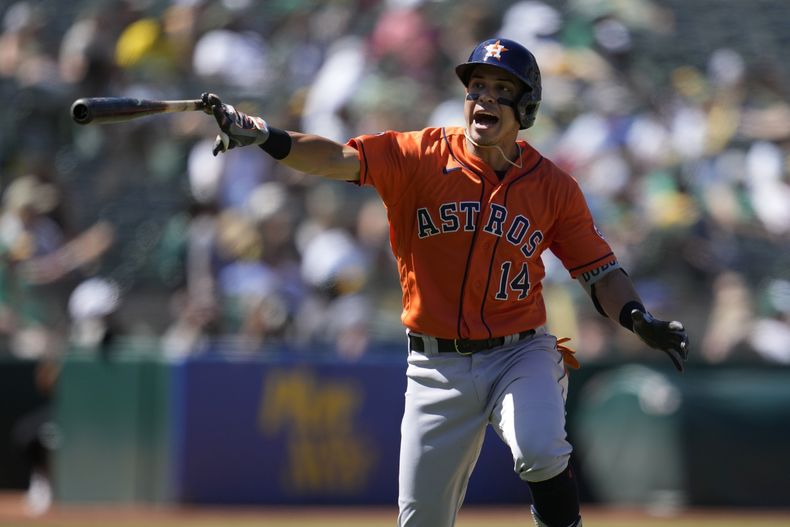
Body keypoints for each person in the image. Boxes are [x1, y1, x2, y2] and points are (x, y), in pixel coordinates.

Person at [202, 37, 689, 527]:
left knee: (539, 447)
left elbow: (600, 271)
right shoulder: (421, 156)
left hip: (518, 352)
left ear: (527, 106)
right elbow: (335, 159)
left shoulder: (555, 188)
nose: (485, 99)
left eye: (501, 89)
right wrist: (267, 136)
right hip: (435, 366)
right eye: (477, 87)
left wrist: (634, 316)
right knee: (421, 520)